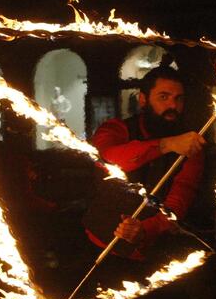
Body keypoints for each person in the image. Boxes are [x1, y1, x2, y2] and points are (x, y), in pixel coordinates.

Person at [85, 65, 205, 260]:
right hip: (98, 244)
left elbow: (180, 198)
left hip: (154, 251)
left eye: (178, 99)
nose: (172, 106)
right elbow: (109, 159)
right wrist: (166, 144)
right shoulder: (115, 129)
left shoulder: (191, 145)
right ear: (143, 99)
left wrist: (145, 230)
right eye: (163, 97)